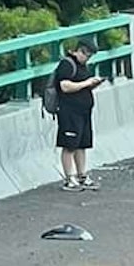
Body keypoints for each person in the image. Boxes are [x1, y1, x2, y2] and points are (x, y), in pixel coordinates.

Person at [48, 40, 105, 188]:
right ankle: (69, 178)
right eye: (87, 55)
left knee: (81, 145)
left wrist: (93, 84)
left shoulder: (82, 66)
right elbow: (65, 86)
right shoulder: (67, 64)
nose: (88, 59)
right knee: (69, 146)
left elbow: (81, 85)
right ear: (80, 51)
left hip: (83, 111)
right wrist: (86, 83)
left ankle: (82, 175)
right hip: (69, 111)